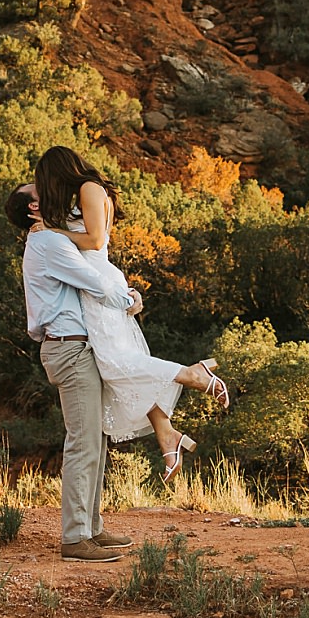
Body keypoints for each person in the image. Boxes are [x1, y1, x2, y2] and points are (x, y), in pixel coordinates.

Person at [31, 146, 231, 484]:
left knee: (113, 362)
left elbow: (95, 241)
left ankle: (191, 374)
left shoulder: (90, 188)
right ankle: (167, 436)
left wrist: (52, 233)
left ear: (59, 172)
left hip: (97, 282)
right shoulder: (83, 194)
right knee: (122, 363)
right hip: (94, 283)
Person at [4, 180, 137, 563]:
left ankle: (91, 529)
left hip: (77, 345)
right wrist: (129, 300)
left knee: (94, 441)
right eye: (39, 189)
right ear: (33, 209)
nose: (49, 188)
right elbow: (93, 283)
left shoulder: (51, 238)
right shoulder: (47, 241)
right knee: (83, 442)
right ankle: (76, 538)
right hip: (69, 347)